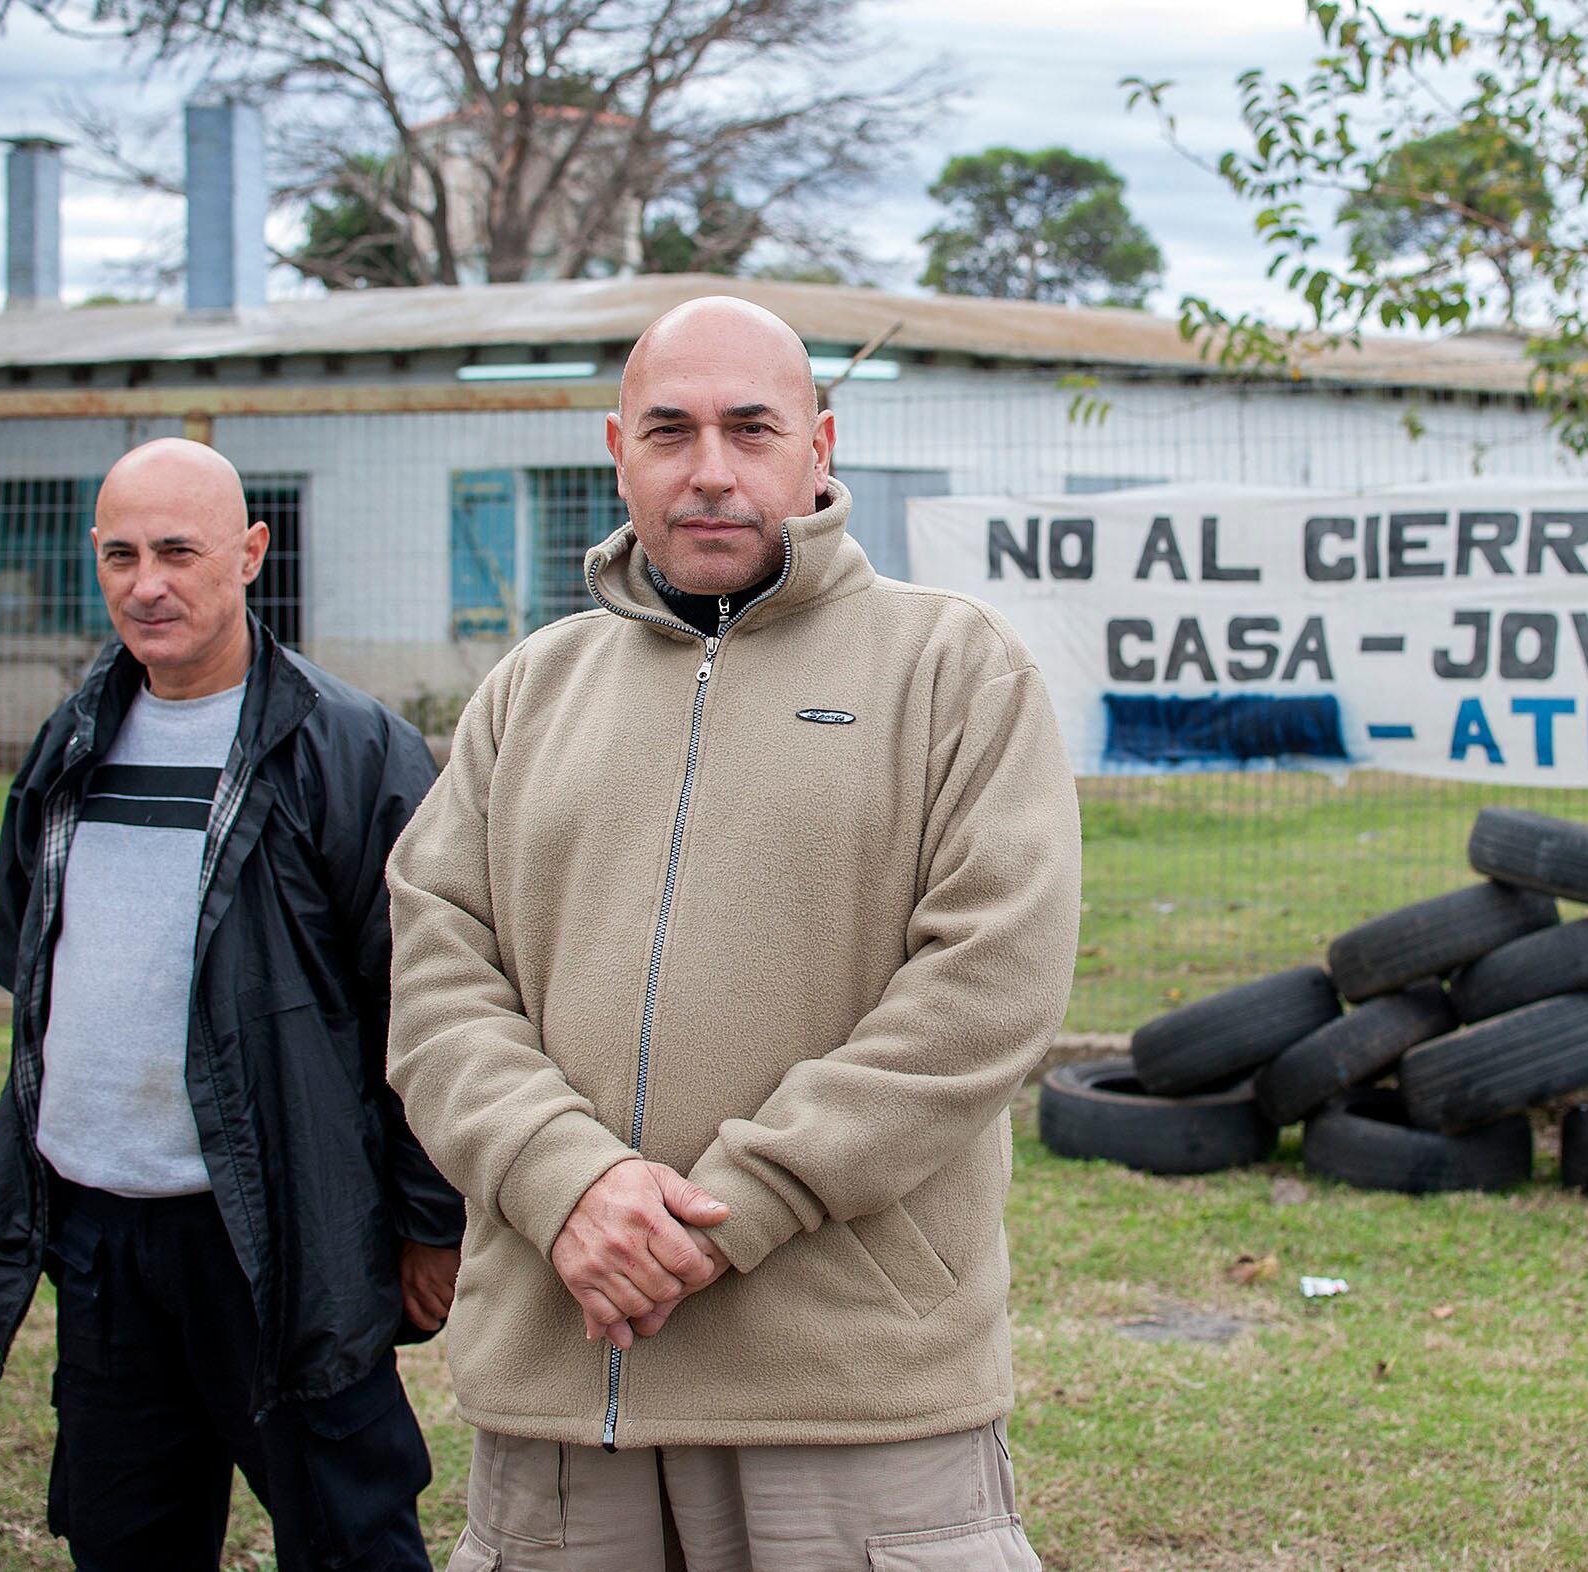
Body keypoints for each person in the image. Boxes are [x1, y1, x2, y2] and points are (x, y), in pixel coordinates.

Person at [385, 296, 1084, 1569]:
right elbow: (438, 975)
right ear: (618, 450)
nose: (710, 470)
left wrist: (740, 1201)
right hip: (561, 1385)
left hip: (851, 1399)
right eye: (670, 431)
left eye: (750, 429)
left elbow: (991, 984)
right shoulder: (529, 691)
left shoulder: (953, 671)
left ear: (819, 446)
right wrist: (568, 1182)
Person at [0, 437, 464, 1572]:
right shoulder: (72, 740)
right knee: (124, 1535)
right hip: (100, 1234)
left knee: (350, 1535)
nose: (148, 583)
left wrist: (429, 1220)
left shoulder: (348, 750)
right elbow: (28, 951)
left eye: (178, 551)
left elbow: (427, 998)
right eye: (120, 556)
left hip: (281, 1235)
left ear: (249, 554)